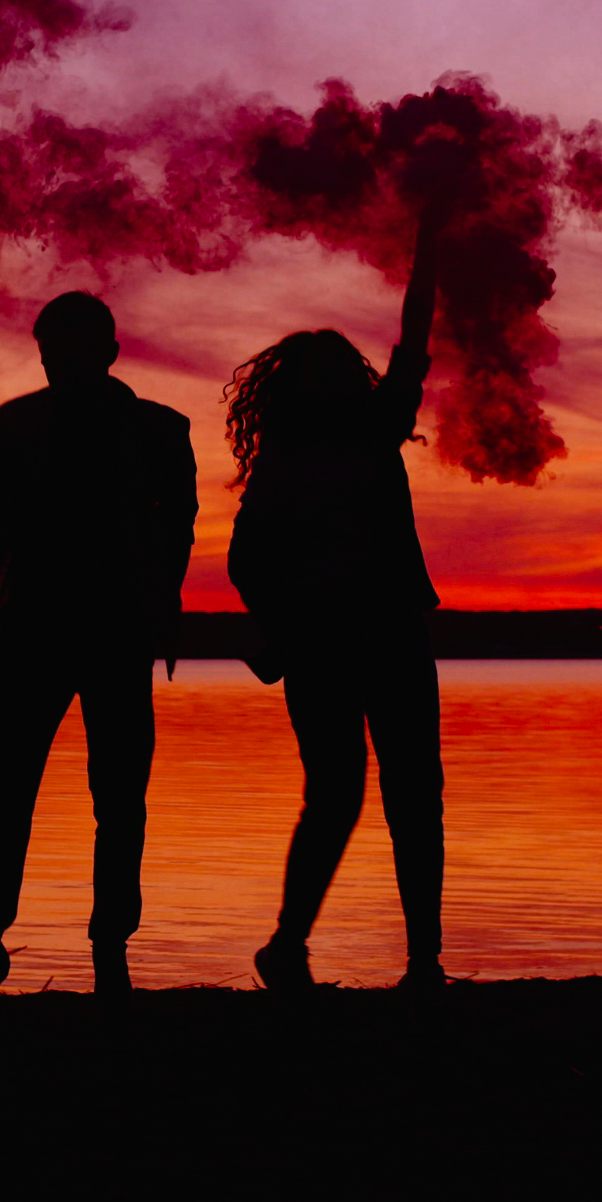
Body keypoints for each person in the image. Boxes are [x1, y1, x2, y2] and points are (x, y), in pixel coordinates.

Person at [0, 292, 196, 1000]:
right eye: (57, 354)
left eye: (78, 351)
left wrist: (161, 608)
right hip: (46, 629)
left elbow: (178, 530)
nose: (66, 365)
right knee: (28, 794)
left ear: (109, 352)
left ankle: (99, 950)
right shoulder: (29, 424)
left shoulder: (154, 429)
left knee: (108, 796)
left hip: (104, 630)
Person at [224, 202, 448, 993]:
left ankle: (422, 960)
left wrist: (428, 247)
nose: (329, 380)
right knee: (342, 795)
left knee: (411, 794)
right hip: (327, 646)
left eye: (334, 368)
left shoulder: (376, 428)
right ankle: (289, 945)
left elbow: (414, 339)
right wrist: (280, 626)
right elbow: (245, 561)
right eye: (316, 371)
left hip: (389, 635)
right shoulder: (285, 461)